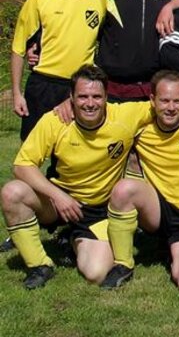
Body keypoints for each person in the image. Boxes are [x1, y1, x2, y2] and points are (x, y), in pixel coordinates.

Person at [1, 65, 153, 288]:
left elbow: (169, 102)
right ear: (71, 98)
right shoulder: (55, 121)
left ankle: (71, 238)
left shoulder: (124, 116)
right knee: (12, 192)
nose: (89, 103)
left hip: (98, 209)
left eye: (96, 96)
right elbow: (22, 166)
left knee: (97, 272)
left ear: (106, 97)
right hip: (57, 203)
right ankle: (40, 266)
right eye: (82, 96)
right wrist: (59, 197)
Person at [99, 70, 179, 290]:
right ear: (152, 100)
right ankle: (123, 264)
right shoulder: (139, 120)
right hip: (158, 210)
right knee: (124, 190)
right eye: (164, 100)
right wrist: (68, 102)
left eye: (177, 101)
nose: (170, 107)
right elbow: (95, 104)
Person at [11, 0, 106, 142]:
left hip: (78, 89)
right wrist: (17, 93)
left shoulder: (99, 0)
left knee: (70, 151)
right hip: (43, 85)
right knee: (31, 151)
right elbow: (18, 49)